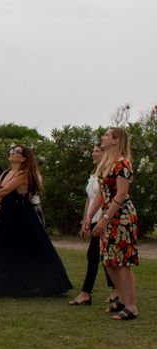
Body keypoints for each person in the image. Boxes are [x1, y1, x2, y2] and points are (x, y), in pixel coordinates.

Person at [0, 145, 72, 297]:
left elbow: (5, 191)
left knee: (24, 249)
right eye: (12, 150)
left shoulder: (24, 173)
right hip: (8, 213)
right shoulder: (8, 172)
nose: (12, 152)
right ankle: (0, 286)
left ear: (24, 158)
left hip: (21, 215)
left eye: (17, 152)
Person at [89, 127, 139, 321]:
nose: (103, 137)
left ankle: (131, 306)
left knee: (122, 261)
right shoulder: (107, 164)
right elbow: (101, 194)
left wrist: (105, 218)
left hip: (121, 216)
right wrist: (89, 216)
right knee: (109, 259)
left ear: (116, 140)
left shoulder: (122, 164)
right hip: (109, 216)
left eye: (107, 135)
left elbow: (121, 194)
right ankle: (121, 298)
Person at [69, 143, 115, 306]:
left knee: (95, 254)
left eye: (97, 151)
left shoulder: (108, 172)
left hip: (105, 218)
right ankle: (114, 289)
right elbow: (90, 199)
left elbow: (108, 198)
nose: (94, 153)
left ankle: (86, 293)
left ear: (105, 153)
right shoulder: (94, 175)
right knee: (100, 255)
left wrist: (103, 218)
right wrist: (85, 220)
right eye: (93, 151)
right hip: (94, 218)